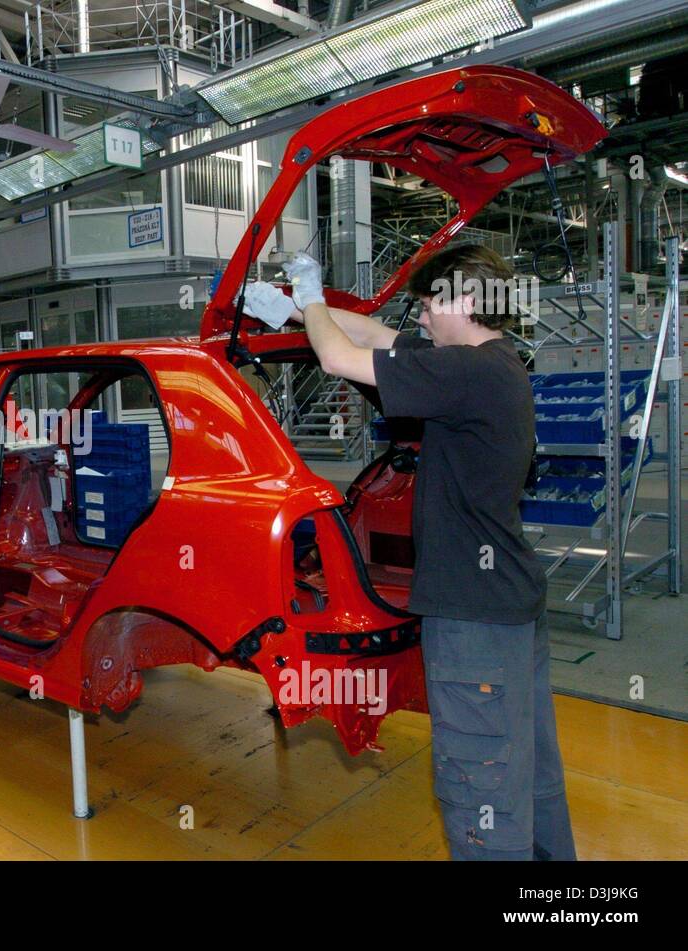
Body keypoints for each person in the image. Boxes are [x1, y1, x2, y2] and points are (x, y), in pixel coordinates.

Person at [246, 244, 574, 862]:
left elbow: (340, 357)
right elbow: (374, 334)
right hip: (509, 601)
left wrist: (312, 296)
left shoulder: (468, 374)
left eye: (428, 305)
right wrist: (294, 311)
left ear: (467, 302)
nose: (420, 318)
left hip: (475, 616)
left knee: (479, 783)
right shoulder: (490, 360)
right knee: (528, 771)